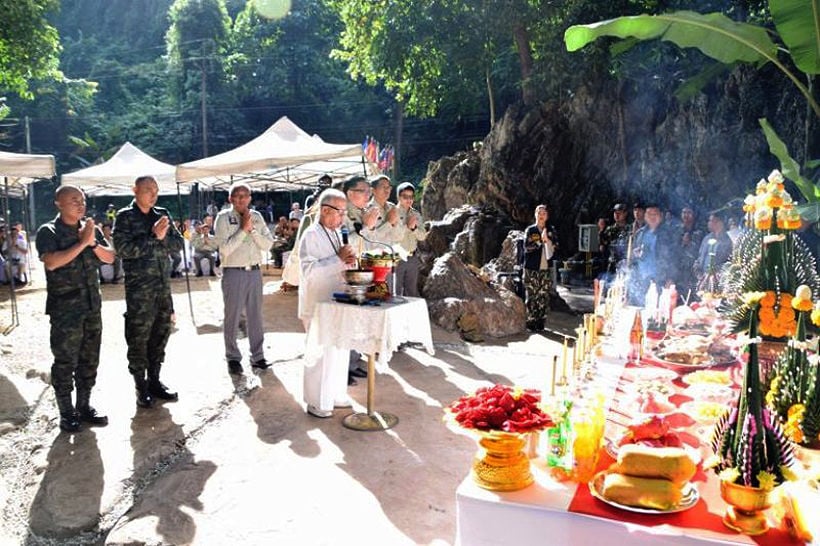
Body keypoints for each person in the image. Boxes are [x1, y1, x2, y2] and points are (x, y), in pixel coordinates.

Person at [36, 185, 115, 431]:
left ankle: (84, 406)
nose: (80, 204)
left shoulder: (89, 229)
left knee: (89, 360)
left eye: (82, 200)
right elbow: (52, 262)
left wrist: (92, 242)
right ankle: (66, 412)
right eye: (74, 200)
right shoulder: (49, 231)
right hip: (65, 310)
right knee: (65, 361)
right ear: (58, 203)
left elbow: (110, 258)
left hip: (92, 306)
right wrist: (82, 243)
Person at [113, 175, 184, 408]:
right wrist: (154, 237)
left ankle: (154, 380)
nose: (153, 194)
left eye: (156, 190)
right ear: (135, 190)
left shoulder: (162, 214)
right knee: (138, 337)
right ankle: (140, 385)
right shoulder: (125, 217)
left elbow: (178, 244)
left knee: (160, 335)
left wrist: (162, 237)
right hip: (139, 292)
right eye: (147, 190)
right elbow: (123, 249)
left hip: (163, 288)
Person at [297, 188, 357, 417]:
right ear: (324, 211)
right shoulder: (311, 235)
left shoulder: (334, 232)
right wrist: (338, 259)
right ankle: (316, 402)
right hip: (317, 304)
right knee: (320, 355)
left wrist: (348, 262)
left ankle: (336, 395)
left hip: (337, 301)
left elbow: (340, 264)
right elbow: (309, 273)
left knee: (340, 351)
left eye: (344, 213)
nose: (343, 218)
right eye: (340, 212)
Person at [214, 182, 274, 375]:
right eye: (237, 196)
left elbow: (267, 245)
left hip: (254, 272)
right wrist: (242, 230)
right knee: (232, 316)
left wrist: (252, 230)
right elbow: (224, 249)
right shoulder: (223, 218)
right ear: (230, 198)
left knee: (255, 315)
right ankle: (232, 357)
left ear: (250, 198)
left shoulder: (256, 217)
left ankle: (258, 356)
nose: (241, 199)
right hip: (234, 272)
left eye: (245, 196)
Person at [628, 203, 676, 305]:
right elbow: (633, 255)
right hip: (641, 278)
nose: (652, 217)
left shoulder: (668, 234)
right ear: (645, 216)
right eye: (649, 214)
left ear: (661, 216)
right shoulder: (640, 233)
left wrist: (671, 278)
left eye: (655, 214)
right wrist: (635, 254)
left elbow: (674, 256)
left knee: (656, 309)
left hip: (660, 278)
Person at [522, 204, 559, 331]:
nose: (541, 215)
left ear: (547, 216)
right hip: (531, 268)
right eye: (539, 213)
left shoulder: (551, 230)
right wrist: (540, 242)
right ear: (535, 215)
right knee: (532, 295)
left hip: (545, 268)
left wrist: (547, 240)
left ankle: (541, 322)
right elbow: (527, 247)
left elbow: (556, 246)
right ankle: (531, 322)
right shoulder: (530, 230)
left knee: (543, 296)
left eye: (544, 213)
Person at [394, 182, 427, 297]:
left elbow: (423, 236)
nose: (409, 200)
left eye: (411, 197)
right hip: (396, 258)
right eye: (405, 197)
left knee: (412, 291)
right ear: (398, 197)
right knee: (395, 291)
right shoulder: (393, 213)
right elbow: (392, 235)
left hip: (412, 257)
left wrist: (414, 229)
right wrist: (407, 226)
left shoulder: (416, 214)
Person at [693, 210, 733, 294]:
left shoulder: (728, 241)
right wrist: (698, 272)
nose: (708, 223)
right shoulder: (707, 238)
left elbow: (728, 263)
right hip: (702, 283)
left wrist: (714, 276)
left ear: (719, 223)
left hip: (718, 287)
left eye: (710, 221)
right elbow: (700, 258)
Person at [599, 203, 631, 275]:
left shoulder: (630, 229)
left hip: (625, 263)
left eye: (619, 213)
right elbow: (602, 247)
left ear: (625, 214)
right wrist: (601, 231)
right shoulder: (609, 230)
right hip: (612, 264)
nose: (616, 215)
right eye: (615, 213)